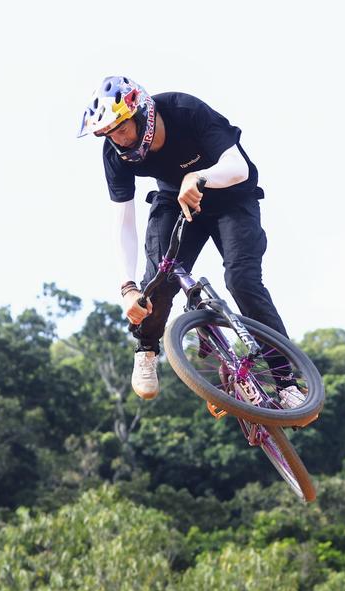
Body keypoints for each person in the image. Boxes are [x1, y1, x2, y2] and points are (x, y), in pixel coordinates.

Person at [78, 75, 305, 407]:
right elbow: (123, 220)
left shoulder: (184, 110)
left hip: (232, 199)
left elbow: (238, 165)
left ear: (142, 114)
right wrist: (126, 286)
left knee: (242, 281)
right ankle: (146, 351)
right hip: (177, 203)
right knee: (156, 283)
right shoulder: (115, 155)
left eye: (123, 129)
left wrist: (199, 177)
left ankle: (286, 383)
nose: (120, 141)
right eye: (110, 134)